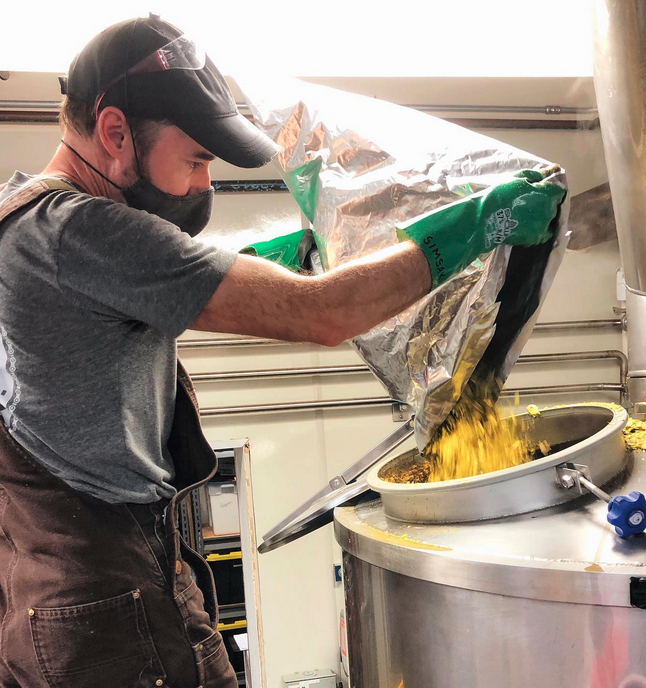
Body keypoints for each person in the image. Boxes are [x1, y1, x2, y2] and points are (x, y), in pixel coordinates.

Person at [0, 14, 564, 688]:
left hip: (97, 578)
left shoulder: (27, 213)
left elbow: (149, 286)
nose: (204, 187)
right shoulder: (81, 231)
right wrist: (473, 226)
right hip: (105, 603)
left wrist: (275, 259)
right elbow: (324, 314)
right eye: (197, 160)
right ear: (115, 132)